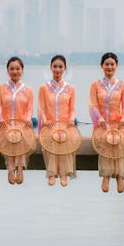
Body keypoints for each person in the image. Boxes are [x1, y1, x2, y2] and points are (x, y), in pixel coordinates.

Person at [89, 52, 124, 193]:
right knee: (106, 139)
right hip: (102, 124)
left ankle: (120, 176)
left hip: (117, 124)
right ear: (101, 66)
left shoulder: (122, 85)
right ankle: (106, 176)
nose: (109, 67)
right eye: (107, 64)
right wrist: (99, 118)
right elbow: (92, 106)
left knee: (120, 139)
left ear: (116, 66)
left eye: (112, 64)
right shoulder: (96, 85)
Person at [0, 57, 34, 185]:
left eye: (17, 68)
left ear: (22, 70)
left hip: (21, 125)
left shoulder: (28, 90)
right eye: (12, 69)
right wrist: (0, 120)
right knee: (10, 134)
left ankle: (20, 167)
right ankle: (11, 168)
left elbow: (29, 109)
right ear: (8, 70)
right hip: (5, 126)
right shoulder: (1, 88)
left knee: (18, 135)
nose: (15, 71)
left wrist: (28, 119)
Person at [38, 55, 76, 186]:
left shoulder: (70, 88)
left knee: (63, 136)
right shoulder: (44, 88)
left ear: (65, 68)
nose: (57, 69)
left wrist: (71, 119)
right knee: (54, 136)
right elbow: (41, 109)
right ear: (50, 67)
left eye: (60, 67)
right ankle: (52, 173)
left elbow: (72, 110)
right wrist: (45, 120)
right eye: (55, 66)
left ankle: (64, 173)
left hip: (65, 125)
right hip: (50, 124)